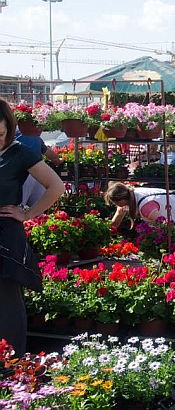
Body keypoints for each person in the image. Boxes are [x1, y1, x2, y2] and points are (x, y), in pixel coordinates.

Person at [0, 98, 64, 354]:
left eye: (1, 134)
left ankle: (12, 365)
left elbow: (56, 187)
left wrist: (27, 213)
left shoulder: (19, 152)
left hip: (5, 235)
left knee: (6, 302)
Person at [105, 182, 175, 232]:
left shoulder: (146, 208)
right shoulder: (131, 193)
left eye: (115, 202)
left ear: (121, 200)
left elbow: (165, 224)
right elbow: (114, 224)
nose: (116, 205)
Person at [16, 131, 63, 206]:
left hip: (23, 175)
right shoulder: (35, 137)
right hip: (37, 176)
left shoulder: (13, 134)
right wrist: (60, 159)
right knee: (37, 210)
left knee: (18, 207)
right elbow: (50, 155)